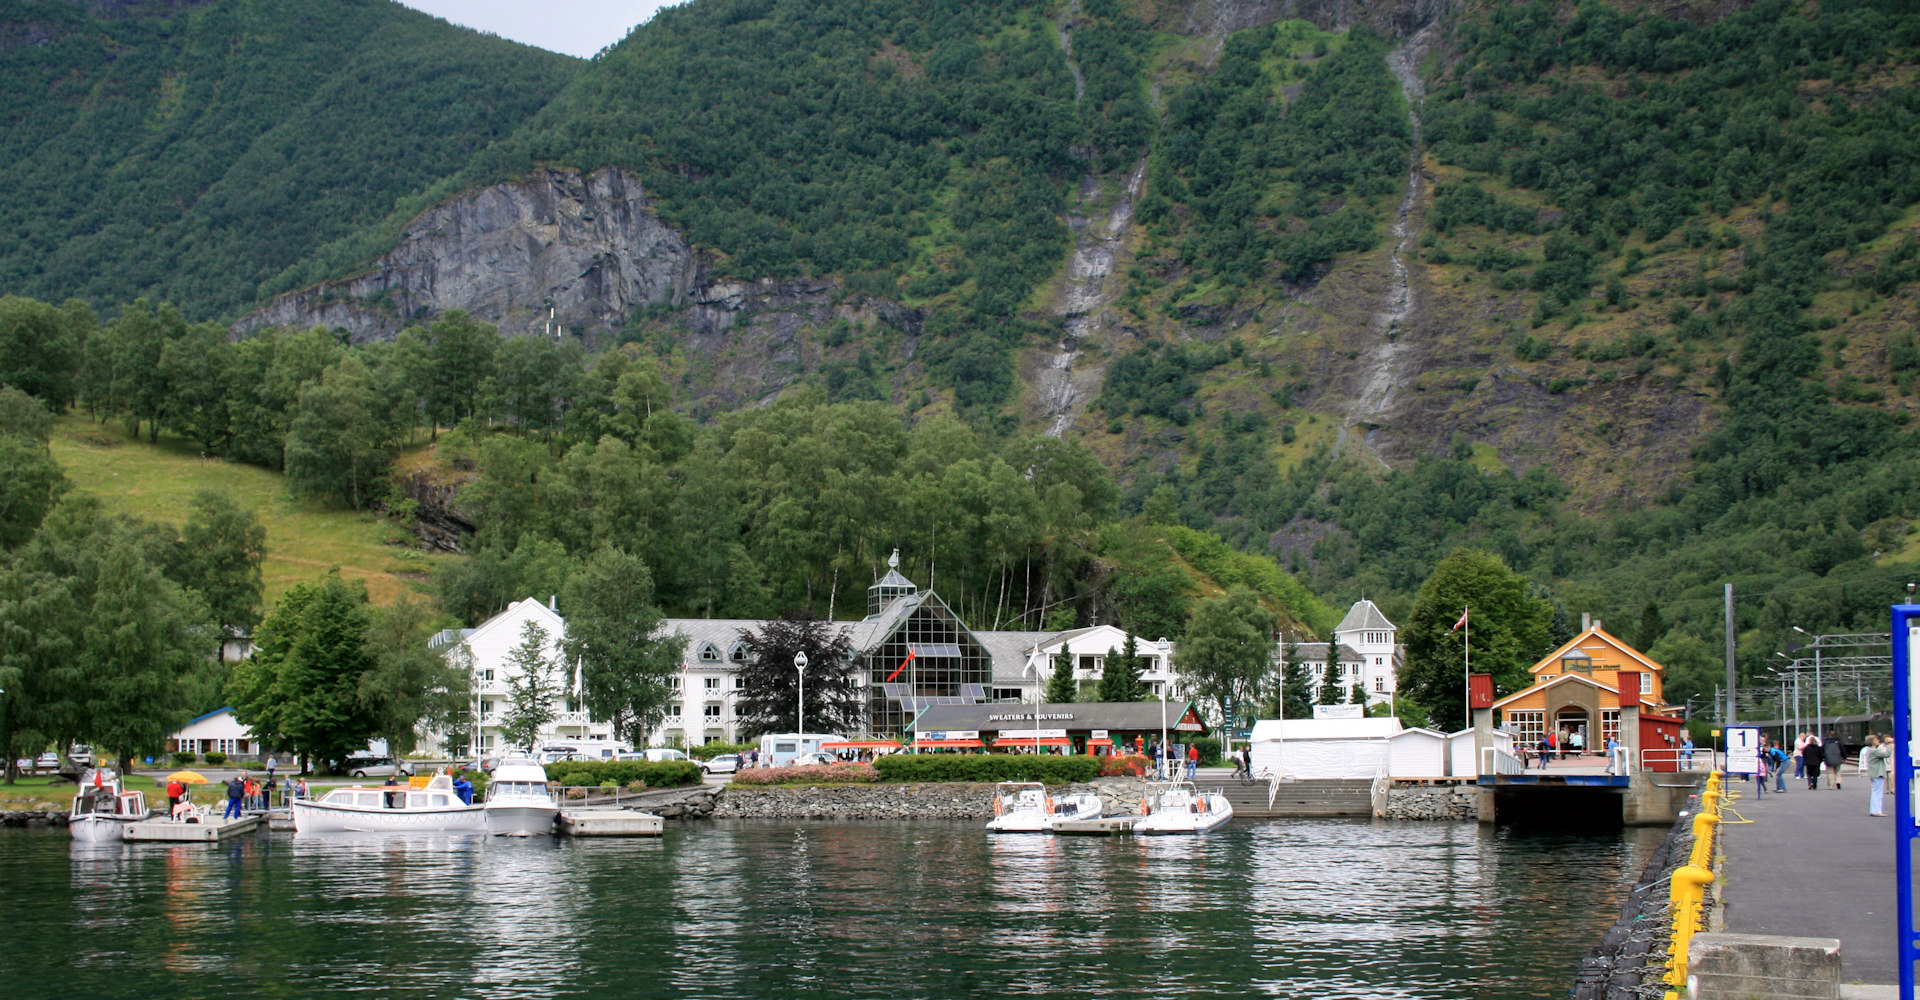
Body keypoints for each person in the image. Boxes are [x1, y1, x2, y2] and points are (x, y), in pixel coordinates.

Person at [1867, 734, 1893, 816]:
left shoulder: (1871, 750)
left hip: (1875, 773)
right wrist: (1889, 745)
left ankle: (1874, 810)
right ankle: (1876, 811)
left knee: (1876, 792)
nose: (1878, 741)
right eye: (1876, 740)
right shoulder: (1874, 751)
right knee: (1877, 793)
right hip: (1877, 773)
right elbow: (1887, 754)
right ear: (1872, 742)